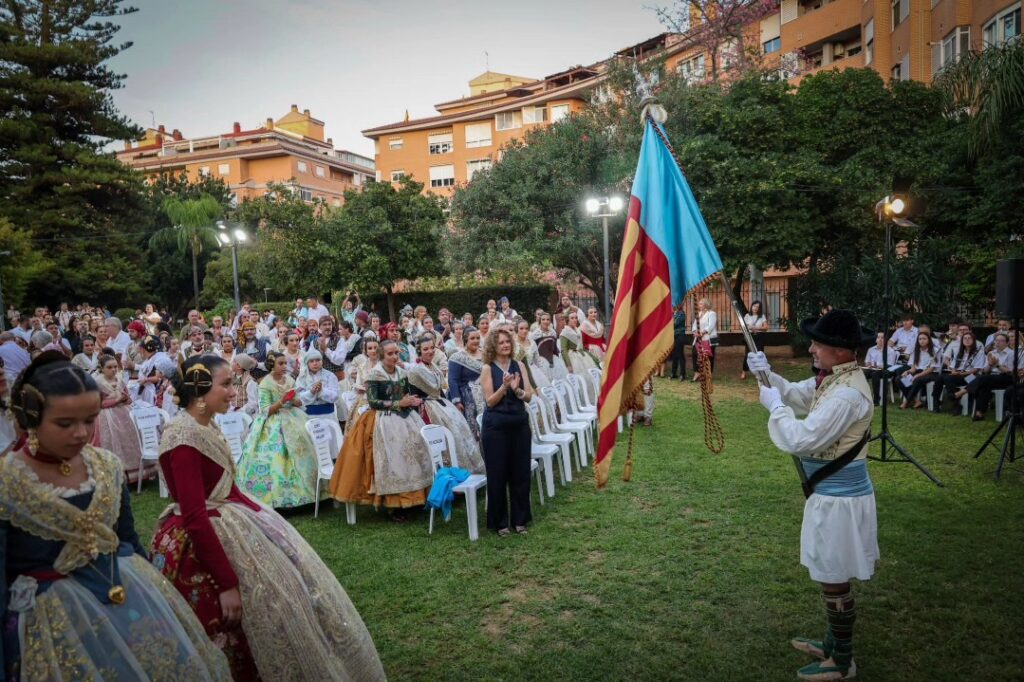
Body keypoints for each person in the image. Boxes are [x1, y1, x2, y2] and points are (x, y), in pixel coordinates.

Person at [150, 355, 386, 680]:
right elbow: (194, 516)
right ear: (200, 388)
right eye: (226, 384)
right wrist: (227, 584)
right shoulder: (182, 438)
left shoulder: (204, 425)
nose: (233, 392)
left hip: (231, 520)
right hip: (200, 544)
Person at [0, 352, 230, 680]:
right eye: (65, 424)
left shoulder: (105, 465)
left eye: (89, 420)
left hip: (126, 592)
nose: (81, 433)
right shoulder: (8, 481)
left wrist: (156, 593)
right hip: (51, 618)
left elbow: (128, 538)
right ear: (32, 417)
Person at [747, 309, 878, 682]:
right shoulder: (834, 378)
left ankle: (843, 661)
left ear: (841, 351)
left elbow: (802, 438)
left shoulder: (848, 395)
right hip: (830, 496)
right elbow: (798, 395)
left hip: (841, 501)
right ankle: (832, 644)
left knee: (834, 575)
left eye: (818, 344)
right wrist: (767, 374)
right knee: (829, 571)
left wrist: (775, 407)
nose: (812, 349)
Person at [329, 339, 432, 519]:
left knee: (414, 453)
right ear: (382, 355)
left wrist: (411, 400)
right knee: (393, 458)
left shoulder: (402, 372)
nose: (395, 356)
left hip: (406, 419)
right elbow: (373, 402)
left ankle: (415, 498)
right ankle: (395, 504)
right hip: (382, 420)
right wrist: (399, 403)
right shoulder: (374, 374)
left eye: (397, 353)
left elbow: (405, 394)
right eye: (390, 354)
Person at [237, 351, 320, 508]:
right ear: (272, 366)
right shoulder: (265, 383)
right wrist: (282, 401)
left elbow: (299, 402)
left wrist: (293, 399)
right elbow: (265, 410)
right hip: (273, 422)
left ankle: (309, 491)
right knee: (276, 457)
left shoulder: (289, 379)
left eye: (285, 363)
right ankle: (276, 495)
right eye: (280, 363)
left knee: (303, 447)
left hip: (293, 418)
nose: (284, 366)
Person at [480, 328, 534, 536]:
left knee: (521, 473)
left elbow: (528, 396)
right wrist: (504, 388)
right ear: (493, 346)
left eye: (507, 342)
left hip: (519, 425)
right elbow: (489, 402)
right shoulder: (487, 368)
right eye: (501, 342)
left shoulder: (519, 365)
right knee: (498, 474)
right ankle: (500, 523)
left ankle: (520, 520)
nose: (505, 345)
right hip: (496, 427)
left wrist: (516, 389)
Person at [407, 336, 485, 473]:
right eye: (426, 349)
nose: (430, 351)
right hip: (427, 408)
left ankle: (462, 470)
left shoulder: (433, 366)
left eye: (432, 348)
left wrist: (449, 405)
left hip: (440, 404)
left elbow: (439, 390)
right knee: (441, 441)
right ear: (419, 351)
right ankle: (445, 472)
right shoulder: (415, 370)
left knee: (457, 434)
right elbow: (414, 395)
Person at [93, 353, 150, 483]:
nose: (113, 370)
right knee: (111, 442)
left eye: (115, 367)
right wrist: (116, 400)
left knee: (130, 440)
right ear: (102, 369)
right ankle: (116, 475)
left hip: (124, 414)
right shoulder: (98, 383)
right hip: (107, 417)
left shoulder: (120, 380)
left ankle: (136, 473)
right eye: (109, 367)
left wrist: (125, 398)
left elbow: (129, 399)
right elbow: (98, 404)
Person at [965, 332, 1016, 421]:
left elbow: (1010, 372)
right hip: (991, 377)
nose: (998, 342)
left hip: (1006, 378)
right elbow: (985, 371)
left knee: (983, 379)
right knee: (984, 386)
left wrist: (997, 365)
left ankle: (963, 391)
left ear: (1007, 343)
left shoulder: (1011, 353)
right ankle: (979, 413)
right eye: (996, 340)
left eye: (1001, 341)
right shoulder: (991, 353)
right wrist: (990, 364)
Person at [448, 327, 485, 440]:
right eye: (472, 338)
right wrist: (457, 401)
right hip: (467, 398)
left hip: (486, 395)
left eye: (478, 338)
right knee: (471, 430)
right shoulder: (457, 357)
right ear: (465, 340)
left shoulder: (486, 354)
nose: (476, 341)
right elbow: (453, 380)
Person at [560, 311, 600, 402]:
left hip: (582, 356)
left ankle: (593, 400)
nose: (575, 320)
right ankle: (582, 401)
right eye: (572, 318)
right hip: (573, 358)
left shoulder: (578, 330)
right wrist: (568, 365)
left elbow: (581, 346)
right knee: (579, 380)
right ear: (567, 320)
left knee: (589, 378)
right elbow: (563, 350)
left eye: (576, 318)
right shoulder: (564, 332)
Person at [945, 331, 985, 414]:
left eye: (969, 338)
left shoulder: (979, 352)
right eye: (965, 338)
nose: (967, 340)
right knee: (948, 378)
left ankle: (954, 398)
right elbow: (953, 366)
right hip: (961, 374)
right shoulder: (960, 352)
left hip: (973, 376)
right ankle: (956, 404)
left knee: (951, 378)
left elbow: (976, 369)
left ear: (974, 341)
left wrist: (961, 374)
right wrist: (954, 371)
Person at [296, 349, 340, 418]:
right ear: (307, 363)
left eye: (317, 360)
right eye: (311, 361)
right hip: (307, 416)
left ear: (322, 361)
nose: (315, 363)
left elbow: (336, 396)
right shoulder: (302, 378)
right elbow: (298, 397)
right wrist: (311, 392)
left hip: (328, 415)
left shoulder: (330, 375)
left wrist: (322, 391)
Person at [862, 332, 899, 406]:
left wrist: (878, 366)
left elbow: (890, 365)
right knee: (862, 373)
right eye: (878, 337)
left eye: (882, 338)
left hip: (885, 370)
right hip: (873, 369)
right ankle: (864, 396)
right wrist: (869, 365)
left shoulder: (890, 351)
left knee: (875, 374)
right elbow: (867, 362)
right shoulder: (871, 349)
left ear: (886, 340)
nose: (880, 339)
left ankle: (876, 400)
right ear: (876, 340)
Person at [741, 300, 769, 380]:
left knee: (759, 353)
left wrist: (755, 328)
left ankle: (759, 372)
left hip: (760, 336)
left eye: (758, 307)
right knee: (748, 354)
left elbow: (766, 327)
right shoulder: (747, 316)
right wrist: (749, 328)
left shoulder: (762, 316)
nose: (755, 308)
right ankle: (744, 371)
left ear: (760, 309)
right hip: (750, 336)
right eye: (754, 306)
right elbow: (743, 327)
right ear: (751, 306)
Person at [691, 297, 718, 380]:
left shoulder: (711, 313)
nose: (699, 305)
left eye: (701, 303)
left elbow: (711, 325)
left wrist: (702, 332)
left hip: (708, 338)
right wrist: (695, 331)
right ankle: (697, 373)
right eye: (699, 304)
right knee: (695, 354)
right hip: (698, 338)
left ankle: (708, 374)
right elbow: (694, 325)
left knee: (708, 356)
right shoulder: (699, 314)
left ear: (706, 304)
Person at [670, 304, 687, 381]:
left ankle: (682, 374)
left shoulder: (681, 313)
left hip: (680, 336)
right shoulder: (674, 313)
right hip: (673, 336)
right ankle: (673, 373)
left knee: (680, 355)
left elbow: (674, 324)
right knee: (674, 355)